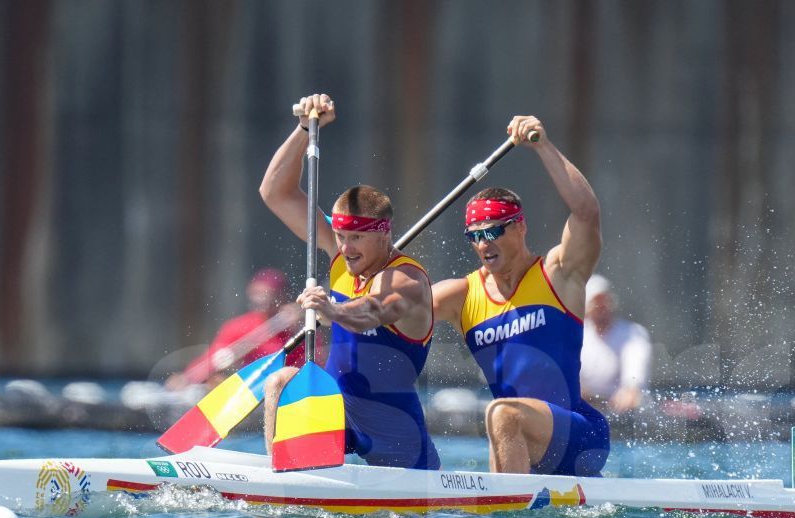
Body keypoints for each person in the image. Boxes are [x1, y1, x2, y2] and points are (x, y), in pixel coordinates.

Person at [257, 93, 440, 470]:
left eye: (356, 237)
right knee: (281, 382)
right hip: (338, 414)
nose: (345, 247)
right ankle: (279, 476)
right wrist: (305, 130)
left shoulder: (406, 280)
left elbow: (373, 311)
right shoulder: (340, 255)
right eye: (340, 236)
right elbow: (275, 192)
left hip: (395, 432)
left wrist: (331, 310)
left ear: (384, 233)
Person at [432, 115, 608, 477]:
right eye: (475, 235)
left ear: (521, 227)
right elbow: (391, 310)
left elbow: (586, 213)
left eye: (494, 231)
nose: (484, 243)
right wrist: (335, 309)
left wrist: (542, 146)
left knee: (502, 412)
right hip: (521, 440)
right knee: (504, 417)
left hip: (581, 435)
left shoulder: (558, 274)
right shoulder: (463, 295)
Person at [165, 268, 304, 390]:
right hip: (249, 388)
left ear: (283, 296)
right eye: (257, 294)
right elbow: (215, 358)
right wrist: (189, 377)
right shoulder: (239, 326)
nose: (260, 300)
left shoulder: (298, 327)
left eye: (268, 294)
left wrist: (300, 328)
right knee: (215, 381)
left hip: (285, 386)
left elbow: (313, 363)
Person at [580, 273, 652, 413]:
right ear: (586, 307)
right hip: (586, 404)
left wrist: (630, 389)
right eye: (596, 302)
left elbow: (634, 377)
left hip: (623, 409)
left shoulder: (633, 333)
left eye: (604, 301)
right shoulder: (577, 334)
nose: (601, 307)